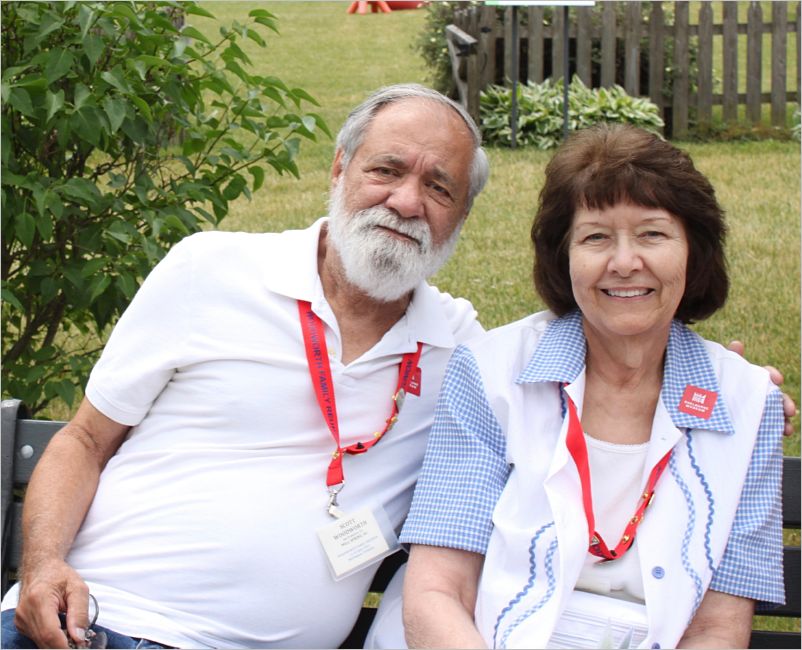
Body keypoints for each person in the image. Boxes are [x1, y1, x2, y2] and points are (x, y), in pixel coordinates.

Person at [0, 83, 491, 649]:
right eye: (386, 170)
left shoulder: (462, 351)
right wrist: (40, 568)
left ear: (460, 215)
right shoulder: (210, 268)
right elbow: (85, 439)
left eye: (438, 187)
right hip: (91, 623)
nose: (406, 202)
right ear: (339, 168)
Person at [381, 124, 786, 649]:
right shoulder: (490, 373)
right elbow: (437, 592)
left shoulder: (749, 404)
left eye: (652, 234)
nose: (624, 263)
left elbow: (718, 628)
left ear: (694, 252)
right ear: (563, 255)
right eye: (596, 237)